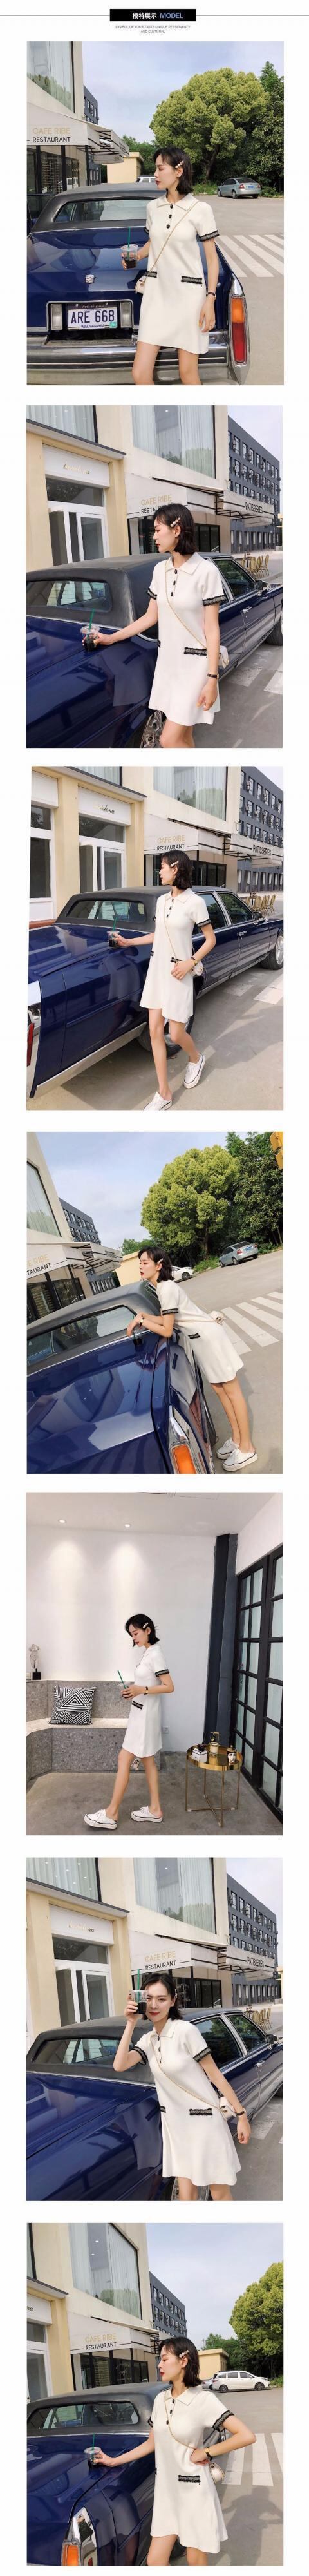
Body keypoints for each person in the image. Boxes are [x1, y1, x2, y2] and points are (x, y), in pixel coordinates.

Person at [92, 2333, 255, 2566]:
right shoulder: (161, 2400)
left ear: (183, 2361)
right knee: (156, 2561)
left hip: (194, 2491)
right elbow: (152, 2443)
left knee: (195, 2562)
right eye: (160, 2359)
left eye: (165, 2359)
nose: (159, 2365)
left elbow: (246, 2435)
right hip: (167, 2493)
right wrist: (114, 2461)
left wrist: (206, 2452)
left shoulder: (203, 2400)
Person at [82, 503, 224, 750]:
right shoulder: (161, 570)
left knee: (168, 740)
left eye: (158, 530)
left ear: (176, 530)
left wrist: (212, 679)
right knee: (184, 737)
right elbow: (149, 618)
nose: (154, 536)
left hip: (195, 668)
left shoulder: (206, 571)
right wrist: (110, 638)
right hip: (168, 665)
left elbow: (212, 629)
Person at [113, 1972, 251, 2200]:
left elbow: (215, 2076)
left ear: (173, 2000)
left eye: (162, 1999)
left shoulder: (185, 2031)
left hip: (204, 2123)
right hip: (177, 2126)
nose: (154, 2005)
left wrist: (241, 2115)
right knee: (186, 2196)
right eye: (149, 1998)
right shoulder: (149, 2040)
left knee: (219, 2194)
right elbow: (120, 2065)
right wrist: (130, 2023)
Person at [127, 1248, 258, 1471]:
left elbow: (167, 1330)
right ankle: (237, 1439)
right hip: (202, 1341)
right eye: (140, 1262)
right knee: (220, 1390)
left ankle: (247, 1448)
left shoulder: (166, 1288)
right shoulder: (162, 1288)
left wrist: (142, 1322)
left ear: (159, 1265)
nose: (140, 1266)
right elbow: (167, 1318)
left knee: (232, 1391)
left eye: (145, 1262)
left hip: (210, 1339)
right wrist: (143, 1316)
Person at [111, 848, 216, 1110]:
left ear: (176, 869)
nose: (159, 871)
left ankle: (196, 1059)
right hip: (158, 972)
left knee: (176, 1033)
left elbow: (210, 939)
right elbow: (158, 935)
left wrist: (190, 962)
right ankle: (164, 1093)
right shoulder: (162, 901)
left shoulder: (195, 903)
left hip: (179, 973)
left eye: (163, 867)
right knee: (155, 1031)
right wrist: (128, 942)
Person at [126, 145, 219, 388]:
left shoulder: (201, 210)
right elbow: (153, 243)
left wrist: (210, 299)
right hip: (156, 295)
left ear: (179, 171)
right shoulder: (152, 208)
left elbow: (212, 259)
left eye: (160, 169)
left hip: (189, 297)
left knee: (188, 374)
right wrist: (136, 256)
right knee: (140, 374)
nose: (155, 174)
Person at [84, 1614, 173, 1831]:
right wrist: (134, 1690)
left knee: (124, 1759)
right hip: (141, 1713)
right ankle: (155, 1810)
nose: (133, 1638)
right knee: (148, 1761)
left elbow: (169, 1686)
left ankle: (111, 1813)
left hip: (145, 1718)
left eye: (136, 1633)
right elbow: (147, 1683)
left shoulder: (155, 1654)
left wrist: (140, 1689)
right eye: (131, 1635)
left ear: (148, 1630)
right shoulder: (148, 1653)